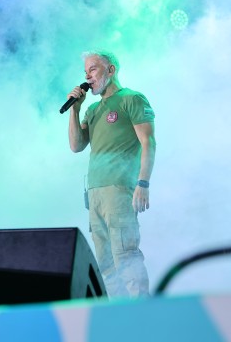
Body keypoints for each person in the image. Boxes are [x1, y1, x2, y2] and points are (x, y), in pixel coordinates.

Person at [67, 50, 156, 298]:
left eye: (93, 69)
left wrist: (143, 183)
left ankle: (143, 314)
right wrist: (75, 110)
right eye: (85, 72)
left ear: (111, 70)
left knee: (126, 256)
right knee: (106, 265)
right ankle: (117, 315)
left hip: (119, 189)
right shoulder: (92, 109)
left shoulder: (132, 99)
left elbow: (148, 142)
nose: (88, 76)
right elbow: (76, 145)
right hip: (95, 193)